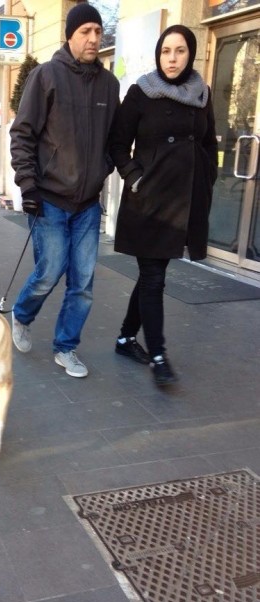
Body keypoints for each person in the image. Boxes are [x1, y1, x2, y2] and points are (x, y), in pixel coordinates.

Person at [9, 3, 119, 378]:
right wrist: (27, 185)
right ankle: (21, 315)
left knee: (83, 283)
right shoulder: (46, 76)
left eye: (97, 31)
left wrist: (107, 169)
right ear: (70, 35)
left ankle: (66, 347)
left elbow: (114, 140)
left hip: (88, 204)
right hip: (50, 200)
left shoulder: (110, 85)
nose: (92, 38)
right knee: (49, 271)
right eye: (85, 31)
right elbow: (22, 134)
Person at [109, 24, 218, 386]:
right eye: (166, 51)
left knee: (152, 275)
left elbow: (207, 144)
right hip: (149, 201)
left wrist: (205, 182)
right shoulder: (141, 92)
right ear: (158, 54)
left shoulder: (201, 94)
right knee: (154, 278)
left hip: (183, 200)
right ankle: (158, 355)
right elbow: (118, 144)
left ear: (191, 54)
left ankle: (126, 338)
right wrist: (135, 176)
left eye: (180, 51)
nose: (172, 58)